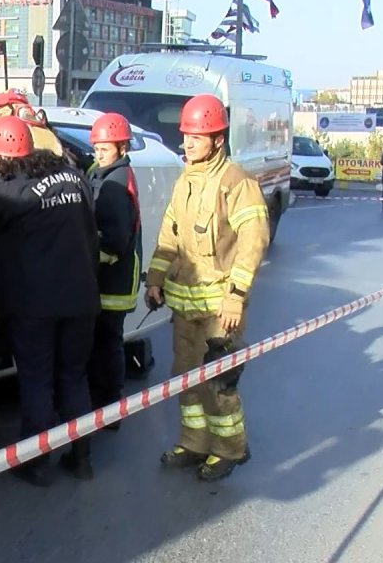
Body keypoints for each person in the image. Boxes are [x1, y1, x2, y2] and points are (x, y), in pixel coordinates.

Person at [0, 114, 101, 485]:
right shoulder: (74, 176)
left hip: (35, 304)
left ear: (1, 157)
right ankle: (82, 456)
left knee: (37, 379)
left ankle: (36, 461)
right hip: (82, 299)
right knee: (74, 377)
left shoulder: (9, 188)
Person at [145, 93, 270, 482]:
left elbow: (253, 241)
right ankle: (194, 442)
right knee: (184, 376)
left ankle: (230, 449)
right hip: (185, 305)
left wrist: (236, 296)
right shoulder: (186, 179)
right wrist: (155, 279)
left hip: (221, 309)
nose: (187, 144)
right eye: (185, 136)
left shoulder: (236, 182)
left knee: (218, 384)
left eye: (196, 138)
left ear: (218, 139)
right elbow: (170, 236)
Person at [86, 113, 142, 431]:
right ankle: (103, 402)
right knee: (103, 342)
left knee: (109, 343)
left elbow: (117, 240)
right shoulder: (101, 172)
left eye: (104, 148)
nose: (98, 154)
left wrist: (90, 260)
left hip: (114, 280)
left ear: (121, 147)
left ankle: (109, 408)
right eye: (96, 148)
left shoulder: (116, 184)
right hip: (105, 277)